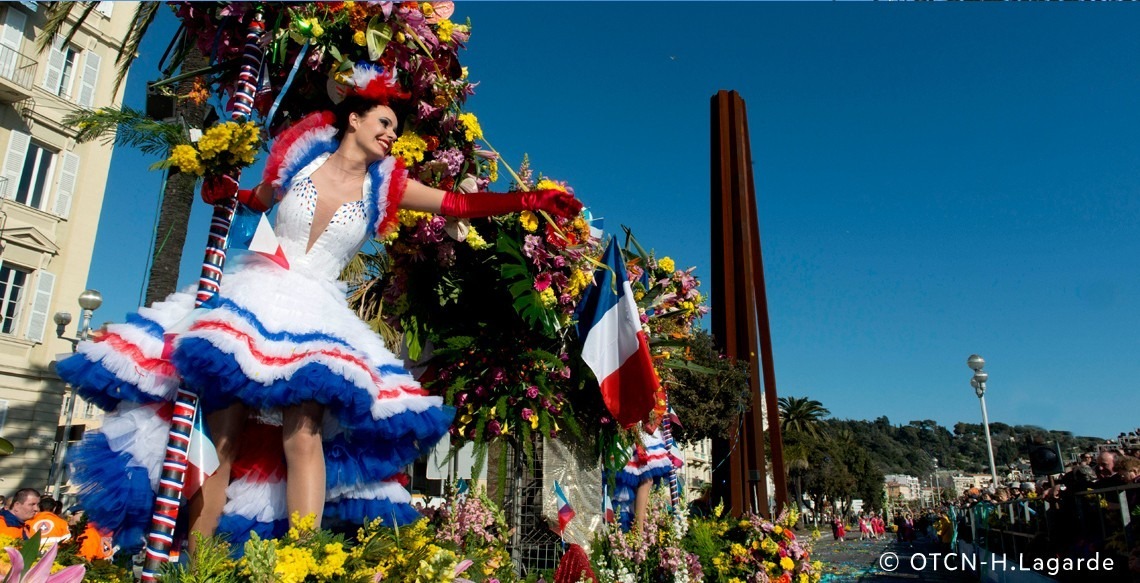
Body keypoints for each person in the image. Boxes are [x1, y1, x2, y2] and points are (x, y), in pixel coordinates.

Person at [55, 63, 582, 552]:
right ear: (354, 118)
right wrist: (224, 190)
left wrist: (531, 200)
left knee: (302, 433)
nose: (391, 134)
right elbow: (257, 200)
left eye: (395, 127)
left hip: (315, 312)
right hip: (251, 298)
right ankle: (196, 565)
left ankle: (300, 562)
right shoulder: (301, 154)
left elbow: (458, 204)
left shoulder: (387, 185)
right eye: (383, 121)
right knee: (222, 437)